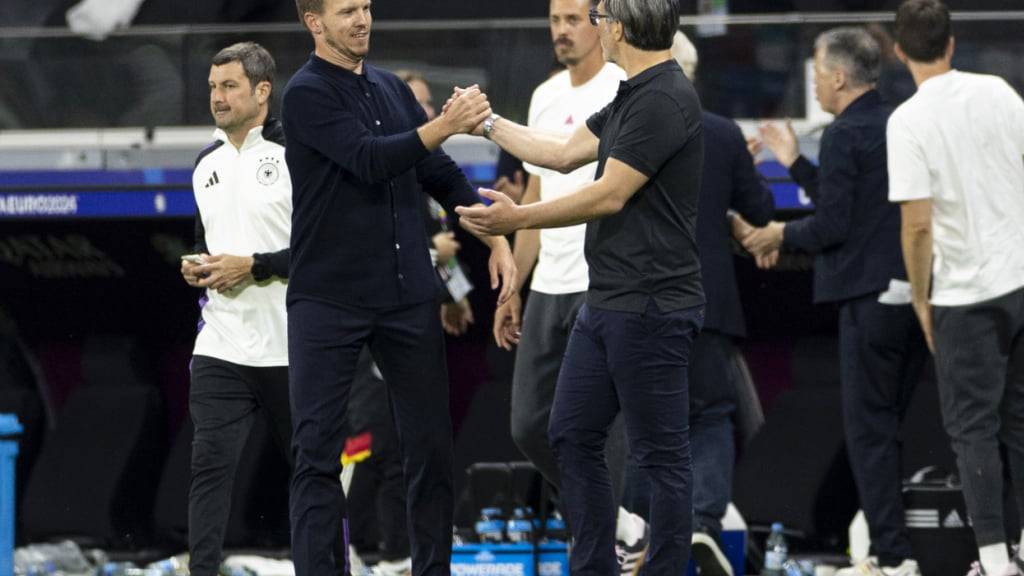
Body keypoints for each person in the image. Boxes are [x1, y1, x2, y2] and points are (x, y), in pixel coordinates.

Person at [455, 0, 705, 572]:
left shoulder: (665, 96)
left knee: (662, 457)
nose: (591, 27)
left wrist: (519, 218)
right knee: (568, 432)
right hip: (608, 298)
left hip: (652, 305)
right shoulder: (631, 94)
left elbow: (609, 193)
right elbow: (563, 154)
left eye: (596, 17)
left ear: (618, 28)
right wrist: (486, 121)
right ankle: (596, 563)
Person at [281, 1, 516, 575]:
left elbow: (435, 171)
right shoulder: (304, 93)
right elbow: (369, 159)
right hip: (328, 297)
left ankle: (430, 570)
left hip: (407, 293)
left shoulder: (389, 87)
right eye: (346, 11)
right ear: (314, 22)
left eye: (365, 6)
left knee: (431, 448)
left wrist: (497, 237)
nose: (362, 19)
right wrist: (444, 124)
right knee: (316, 455)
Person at [740, 27, 929, 576]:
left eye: (818, 74)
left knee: (869, 434)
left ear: (840, 76)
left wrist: (778, 235)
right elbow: (851, 202)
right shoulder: (900, 122)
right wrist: (794, 162)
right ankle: (886, 549)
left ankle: (893, 559)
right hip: (910, 299)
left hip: (867, 302)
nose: (816, 85)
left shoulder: (845, 133)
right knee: (886, 430)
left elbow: (830, 224)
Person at [489, 1, 647, 573]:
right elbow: (534, 196)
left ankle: (605, 541)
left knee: (600, 429)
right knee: (530, 424)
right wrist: (514, 285)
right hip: (549, 284)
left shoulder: (625, 86)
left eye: (573, 19)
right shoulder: (543, 95)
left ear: (602, 22)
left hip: (600, 281)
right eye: (554, 20)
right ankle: (619, 522)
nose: (561, 30)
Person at [886, 1, 1024, 574]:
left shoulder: (909, 120)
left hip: (964, 295)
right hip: (1021, 277)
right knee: (1020, 419)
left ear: (899, 52)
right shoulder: (998, 91)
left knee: (973, 431)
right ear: (952, 42)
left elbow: (917, 224)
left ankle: (993, 560)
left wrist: (921, 295)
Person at [649, 30, 773, 576]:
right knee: (712, 415)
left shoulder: (631, 127)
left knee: (644, 419)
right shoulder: (722, 133)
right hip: (710, 301)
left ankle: (640, 528)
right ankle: (701, 524)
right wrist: (743, 171)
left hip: (646, 300)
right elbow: (762, 210)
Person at [180, 41, 298, 576]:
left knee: (312, 473)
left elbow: (323, 252)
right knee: (208, 466)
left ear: (262, 91)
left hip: (292, 346)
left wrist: (253, 265)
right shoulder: (205, 162)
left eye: (229, 86)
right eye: (212, 86)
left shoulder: (297, 154)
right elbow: (210, 243)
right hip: (222, 342)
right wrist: (198, 267)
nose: (218, 97)